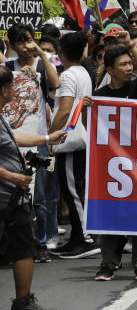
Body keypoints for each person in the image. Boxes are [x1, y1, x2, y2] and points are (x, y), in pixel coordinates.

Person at [86, 34, 137, 282]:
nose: (129, 68)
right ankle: (108, 263)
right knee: (110, 213)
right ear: (110, 69)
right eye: (123, 65)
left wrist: (129, 47)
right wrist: (87, 111)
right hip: (111, 165)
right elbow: (92, 130)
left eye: (129, 63)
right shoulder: (100, 95)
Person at [0, 65, 67, 310]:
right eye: (13, 86)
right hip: (4, 196)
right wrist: (12, 176)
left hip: (14, 199)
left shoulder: (1, 116)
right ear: (5, 89)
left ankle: (23, 301)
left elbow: (13, 138)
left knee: (23, 248)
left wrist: (48, 138)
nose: (16, 90)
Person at [2, 25, 60, 264]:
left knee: (40, 195)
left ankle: (42, 242)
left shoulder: (41, 65)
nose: (25, 47)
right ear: (12, 45)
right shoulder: (8, 68)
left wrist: (42, 56)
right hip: (12, 139)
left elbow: (55, 83)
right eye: (19, 42)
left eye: (28, 40)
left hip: (40, 139)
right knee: (16, 193)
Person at [47, 31, 97, 260]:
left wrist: (49, 137)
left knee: (73, 191)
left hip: (69, 141)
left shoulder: (68, 76)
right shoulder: (83, 72)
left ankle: (86, 239)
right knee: (74, 189)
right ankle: (77, 237)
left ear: (61, 52)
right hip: (79, 139)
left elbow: (65, 109)